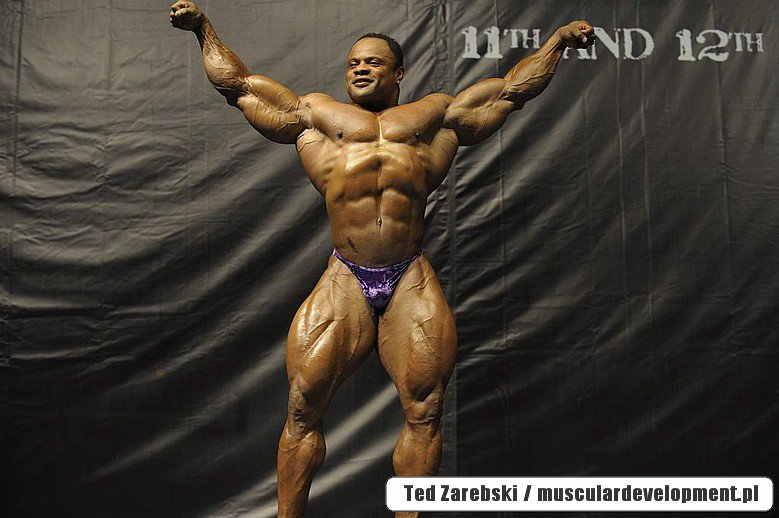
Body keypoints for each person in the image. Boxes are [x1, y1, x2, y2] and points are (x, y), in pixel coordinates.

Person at [170, 2, 595, 516]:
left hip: (408, 275)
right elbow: (239, 87)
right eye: (353, 63)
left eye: (372, 62)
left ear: (398, 73)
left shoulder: (433, 116)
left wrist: (558, 42)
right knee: (303, 407)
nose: (360, 69)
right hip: (345, 277)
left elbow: (509, 91)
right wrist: (203, 29)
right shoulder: (316, 115)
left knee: (426, 409)